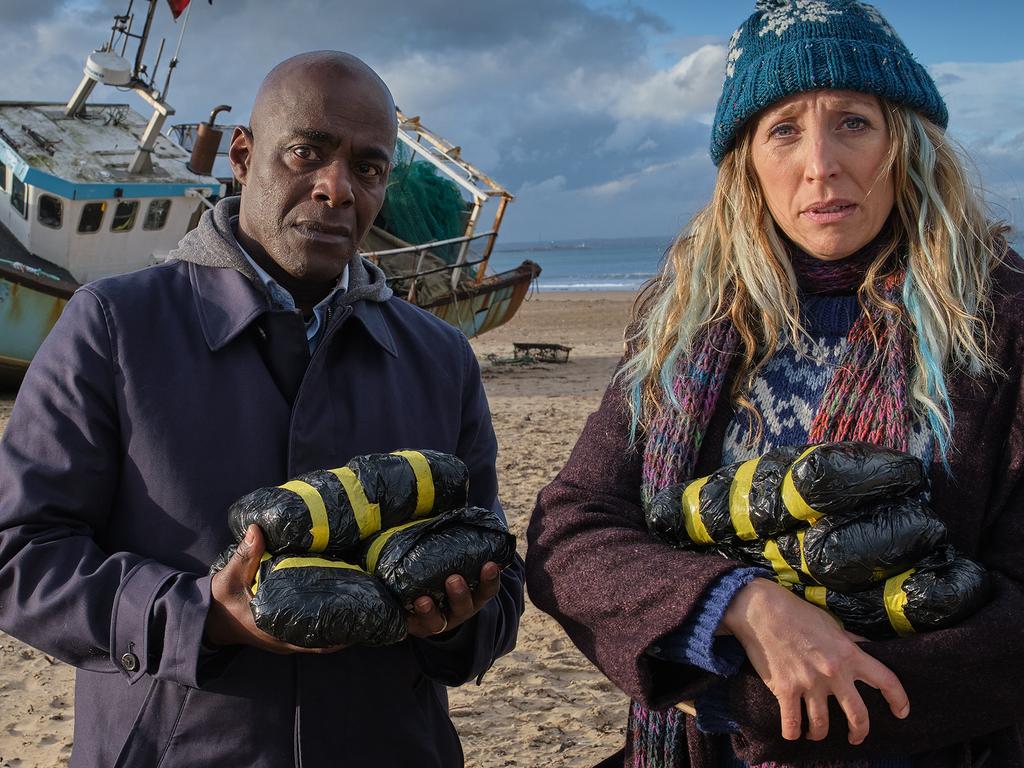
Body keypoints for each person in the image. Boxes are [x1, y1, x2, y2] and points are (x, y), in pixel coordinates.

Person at [526, 2, 1023, 766]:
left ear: (908, 142)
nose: (820, 162)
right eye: (783, 129)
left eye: (854, 121)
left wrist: (741, 699)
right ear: (747, 163)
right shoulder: (684, 322)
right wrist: (738, 607)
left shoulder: (1000, 318)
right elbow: (573, 528)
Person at [0, 51, 523, 767]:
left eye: (368, 168)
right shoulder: (114, 328)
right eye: (307, 152)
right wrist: (200, 618)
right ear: (242, 156)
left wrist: (458, 621)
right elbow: (21, 553)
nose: (337, 188)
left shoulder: (439, 358)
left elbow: (499, 574)